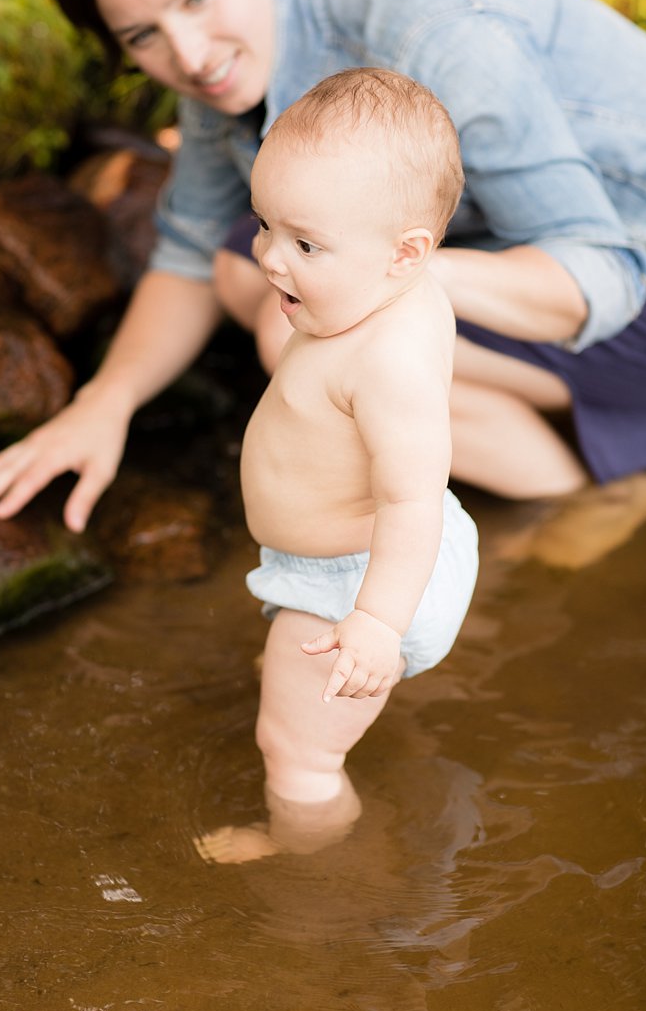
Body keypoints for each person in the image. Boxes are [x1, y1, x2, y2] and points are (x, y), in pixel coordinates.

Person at [0, 0, 646, 568]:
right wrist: (103, 403)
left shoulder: (434, 32)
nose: (191, 56)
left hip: (645, 268)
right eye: (142, 35)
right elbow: (191, 251)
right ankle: (555, 436)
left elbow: (604, 274)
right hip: (513, 253)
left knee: (305, 318)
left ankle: (575, 493)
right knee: (252, 264)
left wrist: (388, 276)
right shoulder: (235, 60)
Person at [194, 67, 477, 863]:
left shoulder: (387, 359)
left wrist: (377, 626)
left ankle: (312, 867)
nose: (271, 260)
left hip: (357, 582)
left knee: (296, 752)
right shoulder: (389, 294)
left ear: (404, 252)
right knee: (304, 704)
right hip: (341, 569)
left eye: (305, 243)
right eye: (265, 227)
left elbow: (412, 498)